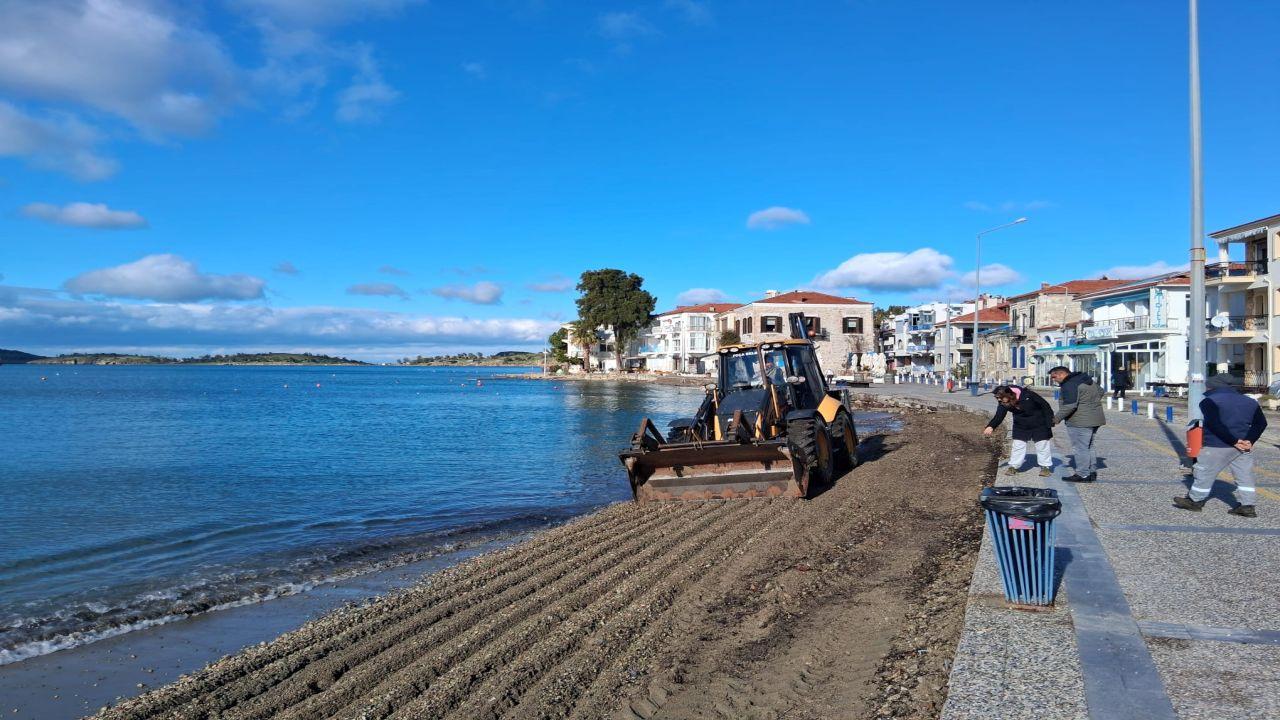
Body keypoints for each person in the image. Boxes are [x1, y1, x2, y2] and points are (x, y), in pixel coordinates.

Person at [1174, 374, 1268, 517]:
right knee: (1244, 476)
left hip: (1217, 445)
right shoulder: (1250, 401)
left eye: (1208, 385)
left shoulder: (1209, 401)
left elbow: (1215, 424)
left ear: (1214, 386)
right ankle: (1248, 506)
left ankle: (1195, 501)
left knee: (1204, 472)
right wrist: (1249, 440)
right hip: (1244, 446)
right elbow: (1261, 423)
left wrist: (1233, 441)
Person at [1049, 366, 1106, 482]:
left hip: (1080, 420)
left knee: (1080, 448)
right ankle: (1091, 471)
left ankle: (1082, 474)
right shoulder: (1085, 379)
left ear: (1061, 374)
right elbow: (1101, 391)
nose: (1053, 380)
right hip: (1095, 418)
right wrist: (1089, 404)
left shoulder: (1069, 384)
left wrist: (1056, 419)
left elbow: (1070, 405)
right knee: (1089, 446)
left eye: (1054, 377)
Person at [984, 385, 1055, 476]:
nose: (999, 400)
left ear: (1009, 394)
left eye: (1000, 398)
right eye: (997, 398)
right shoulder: (1003, 402)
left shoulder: (1028, 395)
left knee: (1042, 445)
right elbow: (999, 415)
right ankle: (1014, 466)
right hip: (1021, 425)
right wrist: (991, 426)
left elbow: (1045, 406)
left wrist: (1050, 422)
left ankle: (1045, 467)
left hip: (1039, 423)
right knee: (1018, 445)